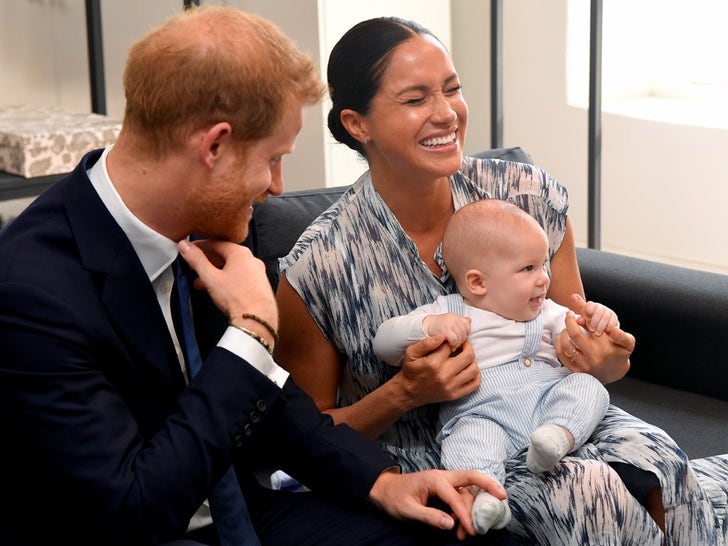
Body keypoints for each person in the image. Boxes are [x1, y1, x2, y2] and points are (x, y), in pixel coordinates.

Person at [0, 7, 518, 546]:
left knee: (469, 535)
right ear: (214, 146)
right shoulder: (31, 293)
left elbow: (276, 403)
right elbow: (134, 508)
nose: (276, 186)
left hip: (243, 512)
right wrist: (250, 334)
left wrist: (384, 481)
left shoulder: (212, 222)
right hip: (140, 525)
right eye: (272, 159)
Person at [275, 15, 720, 545]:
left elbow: (585, 344)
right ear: (357, 124)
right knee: (584, 489)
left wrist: (605, 358)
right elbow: (305, 439)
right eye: (416, 99)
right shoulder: (318, 266)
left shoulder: (525, 195)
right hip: (452, 454)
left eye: (452, 89)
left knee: (663, 458)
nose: (446, 114)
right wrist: (403, 393)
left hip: (564, 414)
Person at [374, 199, 618, 534]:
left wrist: (600, 319)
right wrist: (429, 326)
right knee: (468, 441)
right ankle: (487, 496)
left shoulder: (546, 312)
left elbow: (583, 335)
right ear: (477, 283)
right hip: (481, 413)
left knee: (589, 388)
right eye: (528, 269)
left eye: (544, 265)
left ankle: (557, 437)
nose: (544, 279)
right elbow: (384, 343)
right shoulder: (450, 311)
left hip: (547, 401)